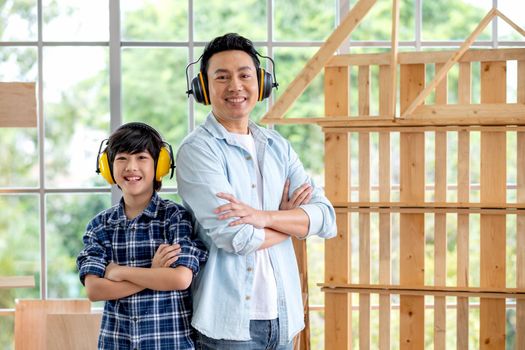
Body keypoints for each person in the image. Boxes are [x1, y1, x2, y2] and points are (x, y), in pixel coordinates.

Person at [177, 33, 337, 349]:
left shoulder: (278, 146)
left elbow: (325, 217)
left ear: (261, 82)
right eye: (221, 77)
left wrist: (261, 216)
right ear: (203, 88)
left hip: (285, 317)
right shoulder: (197, 151)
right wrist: (291, 223)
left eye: (245, 75)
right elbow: (237, 238)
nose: (235, 86)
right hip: (229, 325)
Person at [77, 122, 208, 350]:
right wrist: (155, 274)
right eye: (122, 158)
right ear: (108, 167)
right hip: (117, 344)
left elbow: (179, 279)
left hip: (172, 344)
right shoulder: (99, 226)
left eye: (141, 157)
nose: (131, 166)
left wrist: (118, 272)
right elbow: (95, 290)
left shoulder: (175, 218)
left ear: (159, 165)